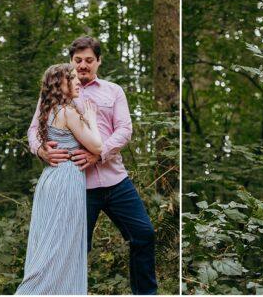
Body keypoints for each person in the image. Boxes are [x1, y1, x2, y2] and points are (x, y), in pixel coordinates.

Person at [26, 36, 158, 294]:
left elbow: (124, 129)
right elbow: (34, 129)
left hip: (115, 179)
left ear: (98, 61)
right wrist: (41, 150)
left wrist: (99, 154)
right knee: (73, 250)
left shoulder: (113, 91)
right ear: (71, 61)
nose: (83, 65)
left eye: (89, 60)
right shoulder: (57, 91)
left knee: (144, 234)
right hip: (77, 186)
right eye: (78, 61)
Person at [17, 63, 100, 294]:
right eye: (71, 78)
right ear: (59, 85)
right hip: (66, 180)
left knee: (47, 247)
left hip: (50, 179)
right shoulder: (67, 111)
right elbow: (97, 145)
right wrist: (91, 119)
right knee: (58, 250)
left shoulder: (50, 109)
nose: (77, 82)